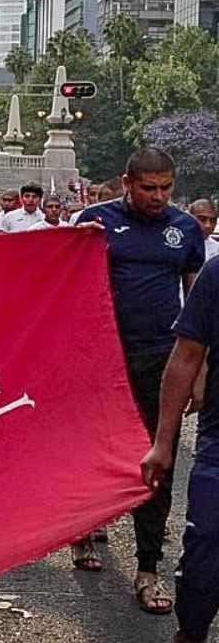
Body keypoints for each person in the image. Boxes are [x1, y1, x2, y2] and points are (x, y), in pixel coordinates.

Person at [70, 148, 203, 613]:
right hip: (100, 362)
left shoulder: (185, 228)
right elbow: (64, 283)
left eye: (167, 187)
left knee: (158, 458)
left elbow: (196, 298)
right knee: (92, 451)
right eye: (149, 187)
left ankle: (148, 568)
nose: (158, 196)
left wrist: (200, 367)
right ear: (127, 182)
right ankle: (84, 529)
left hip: (160, 363)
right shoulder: (94, 222)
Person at [141, 250, 219, 642]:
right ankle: (190, 633)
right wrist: (163, 442)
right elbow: (186, 356)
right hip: (218, 447)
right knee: (204, 561)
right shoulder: (217, 274)